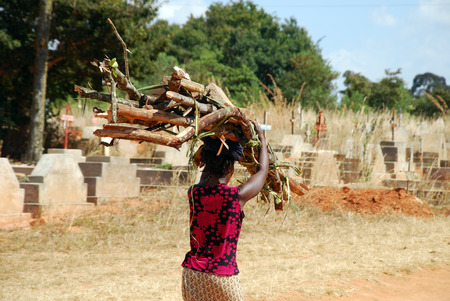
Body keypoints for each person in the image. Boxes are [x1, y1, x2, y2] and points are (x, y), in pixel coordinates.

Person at [181, 122, 269, 301]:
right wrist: (262, 139)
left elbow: (206, 178)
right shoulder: (234, 197)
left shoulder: (193, 193)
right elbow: (263, 171)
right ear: (229, 167)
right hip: (222, 276)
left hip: (192, 274)